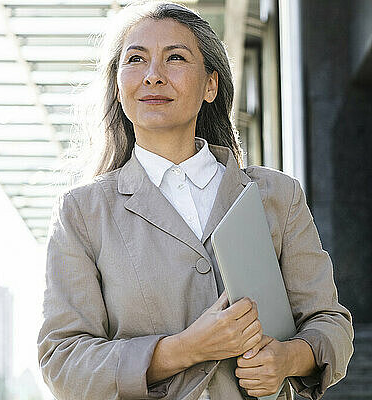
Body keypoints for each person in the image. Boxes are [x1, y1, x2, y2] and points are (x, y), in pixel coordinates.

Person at [37, 2, 354, 400]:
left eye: (175, 58)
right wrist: (184, 349)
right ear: (118, 87)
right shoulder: (82, 213)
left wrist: (287, 359)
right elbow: (63, 363)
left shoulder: (278, 196)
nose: (153, 76)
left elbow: (331, 324)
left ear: (210, 86)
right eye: (136, 60)